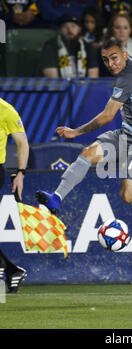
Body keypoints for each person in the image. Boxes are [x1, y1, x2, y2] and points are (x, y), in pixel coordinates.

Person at [36, 19, 132, 229]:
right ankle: (56, 198)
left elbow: (107, 116)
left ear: (124, 55)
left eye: (114, 58)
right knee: (87, 154)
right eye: (105, 60)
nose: (111, 64)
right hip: (125, 135)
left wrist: (75, 132)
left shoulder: (127, 78)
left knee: (128, 195)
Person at [0, 97, 29, 293]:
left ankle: (9, 271)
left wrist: (21, 173)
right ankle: (11, 270)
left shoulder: (5, 109)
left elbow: (22, 143)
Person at [40, 14, 99, 79]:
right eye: (65, 27)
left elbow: (93, 78)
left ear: (79, 29)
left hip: (83, 87)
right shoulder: (51, 46)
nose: (69, 30)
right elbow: (53, 80)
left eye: (73, 26)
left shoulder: (88, 47)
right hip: (60, 87)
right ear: (60, 30)